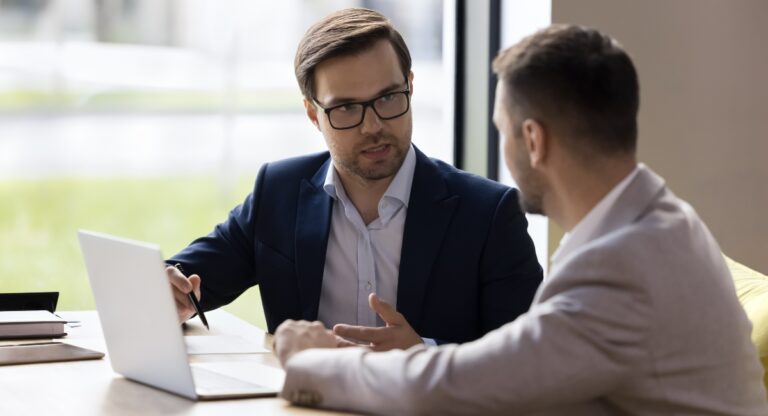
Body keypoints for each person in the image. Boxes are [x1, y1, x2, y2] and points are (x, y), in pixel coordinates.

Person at [273, 24, 768, 415]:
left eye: (501, 132)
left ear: (533, 141)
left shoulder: (624, 263)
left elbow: (460, 386)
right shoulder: (656, 221)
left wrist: (312, 362)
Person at [165, 7, 542, 350]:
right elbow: (185, 281)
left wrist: (423, 354)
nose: (374, 125)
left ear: (410, 85)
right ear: (313, 114)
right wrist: (169, 289)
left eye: (389, 97)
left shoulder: (489, 214)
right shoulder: (279, 192)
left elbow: (529, 360)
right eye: (346, 107)